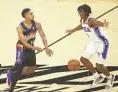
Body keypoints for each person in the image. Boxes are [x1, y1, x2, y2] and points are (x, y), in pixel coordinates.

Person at [66, 4, 115, 88]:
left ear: (87, 12)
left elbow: (96, 22)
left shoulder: (90, 20)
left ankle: (110, 77)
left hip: (102, 43)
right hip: (93, 42)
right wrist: (72, 30)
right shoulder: (82, 20)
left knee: (99, 66)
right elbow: (82, 26)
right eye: (79, 12)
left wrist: (104, 24)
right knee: (83, 59)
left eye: (82, 11)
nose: (80, 13)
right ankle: (97, 77)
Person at [6, 8, 53, 92]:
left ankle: (12, 73)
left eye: (32, 13)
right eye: (31, 14)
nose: (33, 15)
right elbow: (23, 42)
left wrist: (46, 47)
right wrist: (35, 48)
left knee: (32, 69)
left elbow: (43, 36)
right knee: (20, 68)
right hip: (21, 48)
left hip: (31, 47)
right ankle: (11, 88)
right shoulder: (19, 27)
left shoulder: (37, 24)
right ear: (25, 15)